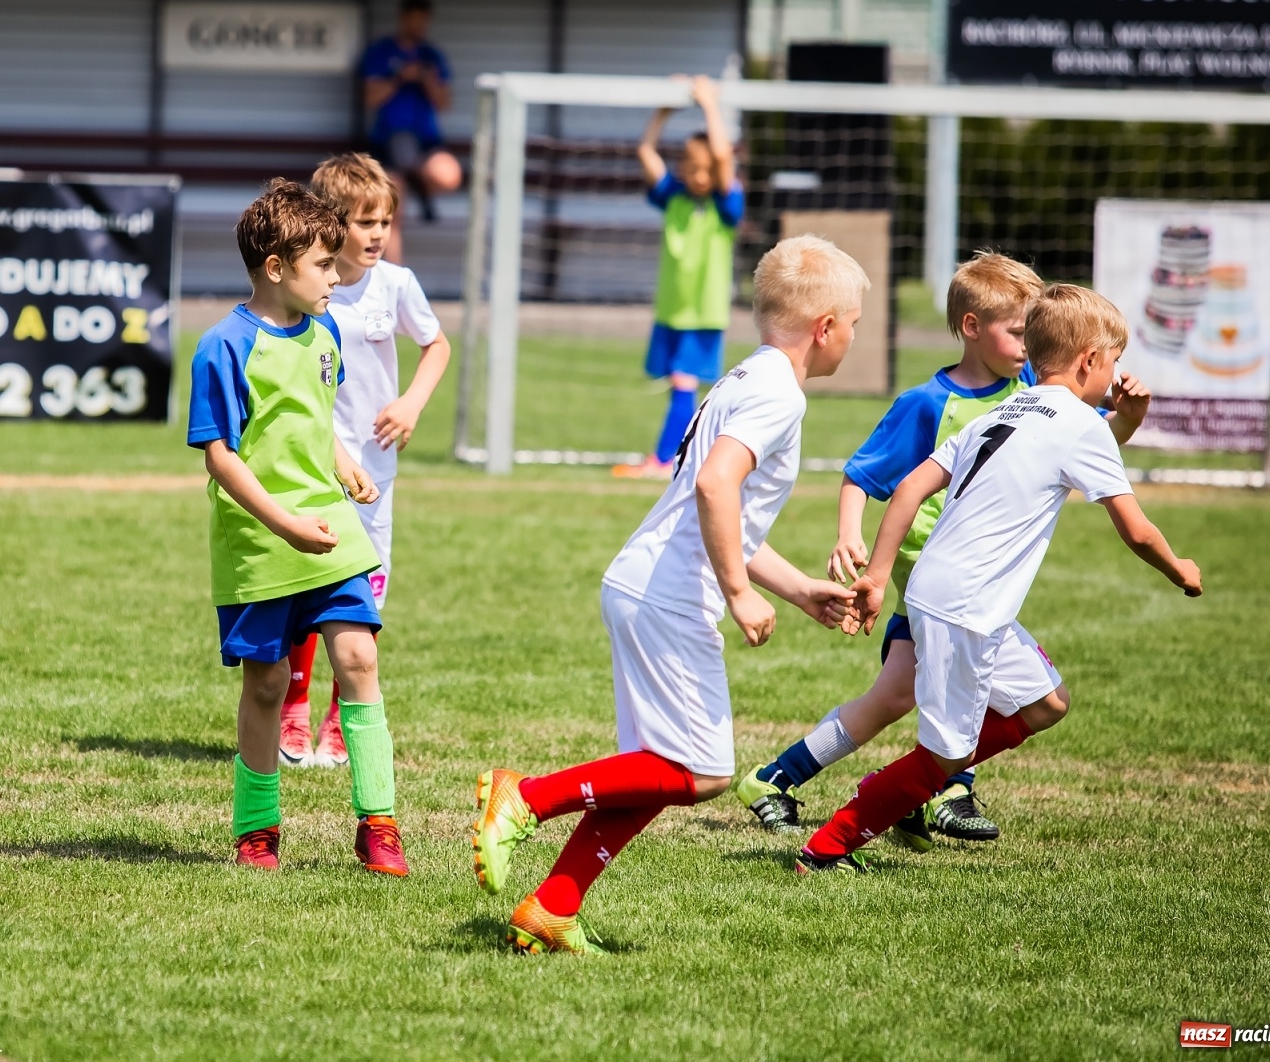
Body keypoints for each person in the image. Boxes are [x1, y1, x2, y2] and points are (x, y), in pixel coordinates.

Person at [468, 235, 865, 954]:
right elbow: (715, 486)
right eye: (857, 323)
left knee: (653, 773)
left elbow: (713, 507)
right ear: (826, 326)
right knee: (703, 771)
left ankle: (553, 906)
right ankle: (525, 797)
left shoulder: (743, 378)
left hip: (645, 585)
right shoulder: (779, 394)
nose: (855, 338)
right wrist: (739, 592)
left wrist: (799, 586)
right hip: (669, 598)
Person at [733, 253, 1153, 848]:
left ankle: (817, 780)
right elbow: (863, 475)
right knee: (943, 682)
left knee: (903, 693)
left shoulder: (1031, 392)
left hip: (967, 577)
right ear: (972, 327)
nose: (1028, 345)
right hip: (934, 576)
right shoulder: (928, 403)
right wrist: (851, 535)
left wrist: (1127, 420)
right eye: (1017, 331)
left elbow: (1090, 454)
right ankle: (929, 791)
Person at [797, 284, 1202, 874]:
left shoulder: (1005, 411)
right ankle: (828, 846)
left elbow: (910, 487)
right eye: (1113, 362)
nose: (1115, 376)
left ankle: (912, 783)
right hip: (966, 606)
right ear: (1090, 360)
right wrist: (1181, 569)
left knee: (1046, 702)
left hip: (948, 593)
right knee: (946, 756)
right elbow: (1137, 531)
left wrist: (880, 577)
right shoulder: (1079, 424)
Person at [185, 178, 407, 876]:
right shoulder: (221, 347)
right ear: (276, 268)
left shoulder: (326, 331)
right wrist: (282, 522)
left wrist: (343, 466)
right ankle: (257, 830)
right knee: (266, 682)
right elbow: (221, 455)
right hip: (260, 539)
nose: (338, 277)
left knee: (359, 660)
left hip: (331, 528)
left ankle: (379, 823)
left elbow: (312, 421)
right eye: (323, 265)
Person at [276, 152, 452, 769]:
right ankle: (291, 712)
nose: (376, 234)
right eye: (362, 222)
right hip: (314, 465)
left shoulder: (397, 285)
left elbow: (436, 345)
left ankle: (335, 719)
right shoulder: (306, 288)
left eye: (384, 221)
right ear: (329, 223)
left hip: (376, 472)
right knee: (306, 585)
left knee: (362, 600)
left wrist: (411, 403)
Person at [614, 75, 745, 480]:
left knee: (684, 383)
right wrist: (666, 110)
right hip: (671, 310)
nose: (699, 176)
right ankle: (680, 457)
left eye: (706, 169)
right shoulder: (674, 195)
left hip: (702, 314)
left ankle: (665, 460)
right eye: (691, 167)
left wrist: (709, 104)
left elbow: (723, 157)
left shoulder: (727, 205)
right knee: (680, 385)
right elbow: (645, 151)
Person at [359, 0, 462, 260]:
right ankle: (395, 288)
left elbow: (444, 103)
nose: (418, 25)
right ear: (403, 18)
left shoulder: (432, 57)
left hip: (425, 144)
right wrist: (400, 78)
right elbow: (369, 99)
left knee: (449, 175)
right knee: (392, 214)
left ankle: (414, 178)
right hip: (387, 143)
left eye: (423, 21)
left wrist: (426, 79)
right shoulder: (382, 52)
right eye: (413, 19)